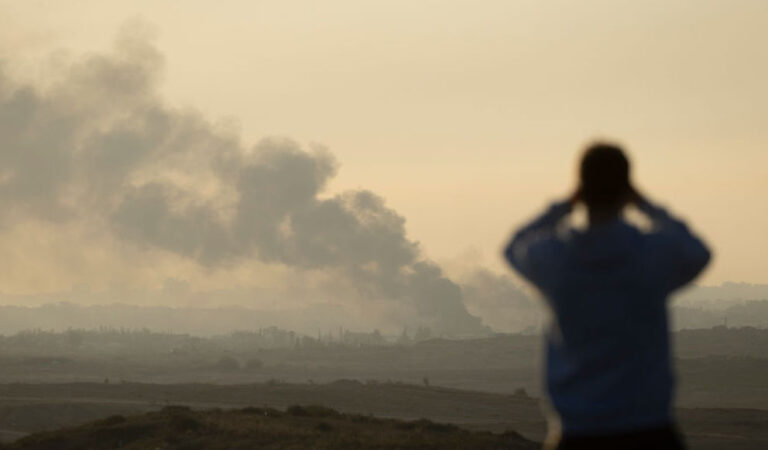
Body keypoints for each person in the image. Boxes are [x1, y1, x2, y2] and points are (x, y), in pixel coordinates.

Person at [503, 142, 711, 450]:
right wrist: (647, 205)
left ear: (582, 188)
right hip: (649, 429)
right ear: (626, 190)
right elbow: (697, 251)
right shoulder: (651, 257)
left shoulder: (556, 260)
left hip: (579, 432)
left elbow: (515, 245)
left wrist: (562, 207)